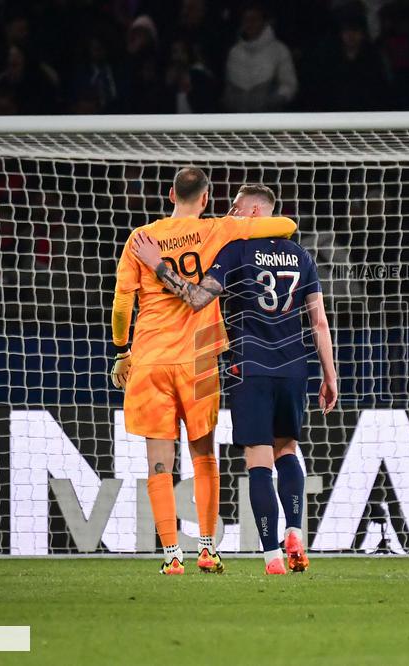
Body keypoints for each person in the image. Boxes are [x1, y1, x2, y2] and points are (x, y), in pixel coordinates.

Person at [131, 183, 338, 575]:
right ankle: (294, 531)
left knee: (258, 460)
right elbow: (319, 322)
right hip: (295, 368)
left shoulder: (236, 251)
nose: (230, 214)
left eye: (237, 208)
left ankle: (272, 556)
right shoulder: (302, 255)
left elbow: (196, 298)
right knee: (288, 450)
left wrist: (159, 266)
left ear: (255, 212)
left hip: (251, 368)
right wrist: (330, 375)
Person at [222, 4, 298, 112]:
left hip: (269, 117)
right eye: (246, 19)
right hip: (239, 118)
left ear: (264, 22)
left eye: (254, 19)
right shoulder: (234, 52)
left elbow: (289, 84)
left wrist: (272, 101)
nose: (250, 23)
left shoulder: (279, 50)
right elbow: (228, 88)